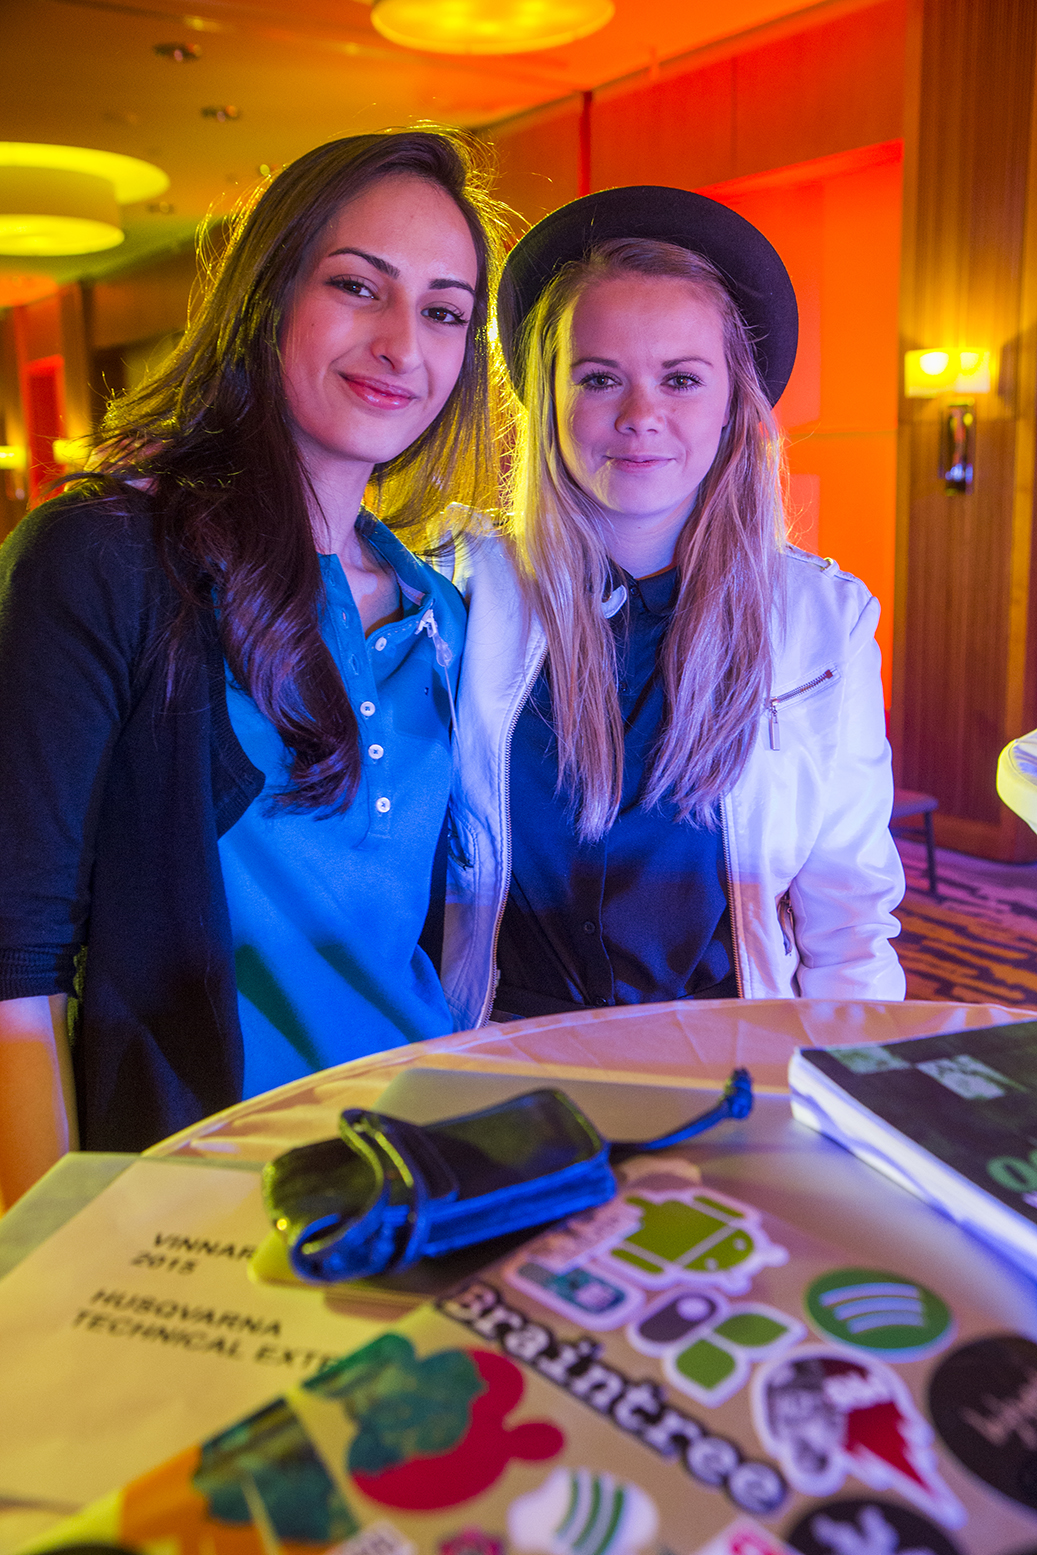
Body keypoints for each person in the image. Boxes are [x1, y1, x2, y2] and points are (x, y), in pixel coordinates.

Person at [0, 129, 506, 1199]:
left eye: (444, 311)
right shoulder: (105, 555)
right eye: (357, 287)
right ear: (267, 294)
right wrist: (50, 1245)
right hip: (205, 1185)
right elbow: (16, 953)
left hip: (425, 1162)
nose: (402, 345)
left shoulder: (444, 612)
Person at [441, 186, 905, 1030]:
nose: (640, 416)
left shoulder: (823, 619)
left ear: (732, 405)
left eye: (681, 379)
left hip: (727, 1058)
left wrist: (851, 1081)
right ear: (547, 400)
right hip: (499, 1054)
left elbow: (849, 922)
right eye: (599, 378)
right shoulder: (459, 593)